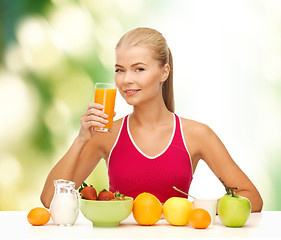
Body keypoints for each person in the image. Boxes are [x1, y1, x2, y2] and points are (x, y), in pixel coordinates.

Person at [41, 27, 263, 212]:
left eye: (139, 69)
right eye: (120, 70)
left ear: (164, 72)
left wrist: (200, 208)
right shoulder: (106, 135)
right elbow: (49, 200)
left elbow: (252, 198)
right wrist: (81, 139)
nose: (126, 80)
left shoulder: (196, 135)